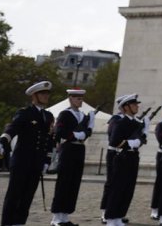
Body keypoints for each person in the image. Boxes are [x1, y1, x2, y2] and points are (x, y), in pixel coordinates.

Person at [0, 81, 55, 226]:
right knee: (14, 196)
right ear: (34, 96)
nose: (46, 96)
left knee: (27, 197)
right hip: (22, 161)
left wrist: (47, 161)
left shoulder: (48, 116)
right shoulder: (25, 112)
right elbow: (12, 128)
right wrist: (1, 142)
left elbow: (49, 140)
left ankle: (19, 223)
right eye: (42, 93)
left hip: (37, 163)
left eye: (47, 93)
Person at [50, 88, 94, 226]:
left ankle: (65, 216)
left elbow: (87, 133)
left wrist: (89, 127)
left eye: (81, 99)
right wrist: (75, 135)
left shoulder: (83, 115)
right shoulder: (65, 114)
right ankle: (56, 217)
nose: (80, 101)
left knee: (74, 183)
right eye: (77, 98)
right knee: (64, 182)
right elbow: (59, 132)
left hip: (79, 149)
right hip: (68, 148)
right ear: (70, 98)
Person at [104, 94, 146, 226]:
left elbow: (142, 139)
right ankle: (111, 218)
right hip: (122, 157)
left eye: (136, 104)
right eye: (134, 104)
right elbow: (114, 141)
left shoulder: (137, 123)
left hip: (133, 157)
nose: (137, 106)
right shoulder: (120, 122)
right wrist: (131, 143)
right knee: (117, 189)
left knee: (128, 190)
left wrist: (141, 138)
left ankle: (119, 216)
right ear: (126, 107)